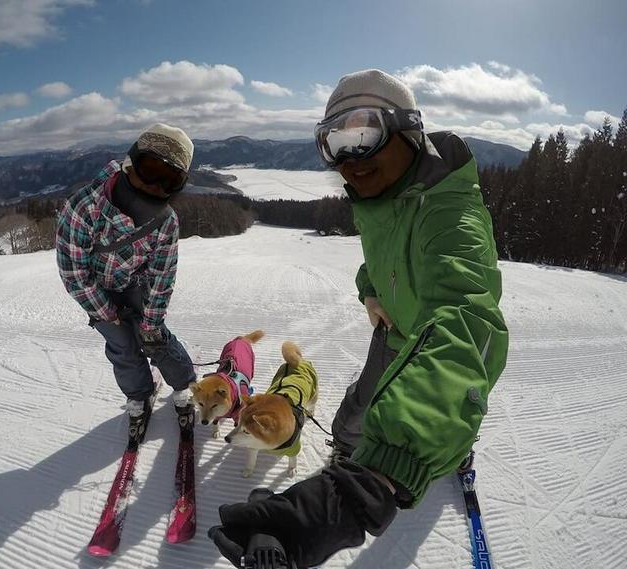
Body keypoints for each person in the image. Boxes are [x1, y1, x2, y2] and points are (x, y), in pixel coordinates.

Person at [208, 69, 509, 568]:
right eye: (334, 144)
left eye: (363, 134)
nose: (349, 158)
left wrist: (360, 492)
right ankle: (351, 456)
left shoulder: (450, 213)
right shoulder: (383, 198)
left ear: (407, 129)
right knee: (355, 411)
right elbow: (378, 256)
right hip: (391, 330)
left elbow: (467, 321)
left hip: (432, 343)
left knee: (434, 403)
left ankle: (437, 449)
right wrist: (371, 293)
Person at [56, 123, 196, 435]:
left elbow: (163, 275)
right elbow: (73, 271)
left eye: (171, 179)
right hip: (96, 287)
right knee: (122, 347)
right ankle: (139, 396)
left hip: (137, 283)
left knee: (155, 339)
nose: (156, 186)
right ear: (130, 162)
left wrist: (151, 321)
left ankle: (184, 384)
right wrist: (106, 312)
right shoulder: (84, 207)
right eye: (150, 170)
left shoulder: (166, 221)